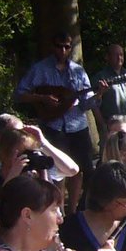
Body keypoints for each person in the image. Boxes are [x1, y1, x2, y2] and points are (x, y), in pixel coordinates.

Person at [14, 32, 96, 211]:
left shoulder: (78, 70)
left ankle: (73, 210)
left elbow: (86, 104)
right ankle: (59, 210)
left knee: (80, 169)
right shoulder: (40, 69)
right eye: (60, 46)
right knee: (57, 170)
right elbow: (20, 94)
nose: (63, 50)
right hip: (52, 125)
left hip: (77, 126)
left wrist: (101, 94)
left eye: (67, 46)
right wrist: (42, 98)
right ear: (53, 47)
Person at [0, 125, 79, 232]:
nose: (30, 158)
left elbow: (72, 170)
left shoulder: (37, 174)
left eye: (33, 152)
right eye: (25, 154)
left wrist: (44, 144)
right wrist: (12, 178)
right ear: (6, 154)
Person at [91, 43, 126, 134]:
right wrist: (103, 126)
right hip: (112, 130)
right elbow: (94, 105)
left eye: (121, 55)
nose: (119, 57)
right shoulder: (100, 78)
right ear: (107, 57)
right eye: (115, 54)